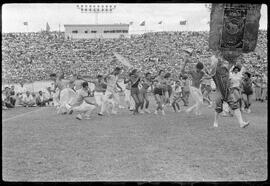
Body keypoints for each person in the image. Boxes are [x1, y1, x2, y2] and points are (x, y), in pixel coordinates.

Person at [207, 54, 249, 128]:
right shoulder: (214, 70)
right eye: (218, 60)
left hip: (227, 91)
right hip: (219, 92)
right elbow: (213, 67)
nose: (220, 60)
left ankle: (241, 123)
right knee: (218, 108)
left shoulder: (225, 68)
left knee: (235, 106)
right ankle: (215, 122)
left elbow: (232, 63)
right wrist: (215, 58)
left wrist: (236, 55)